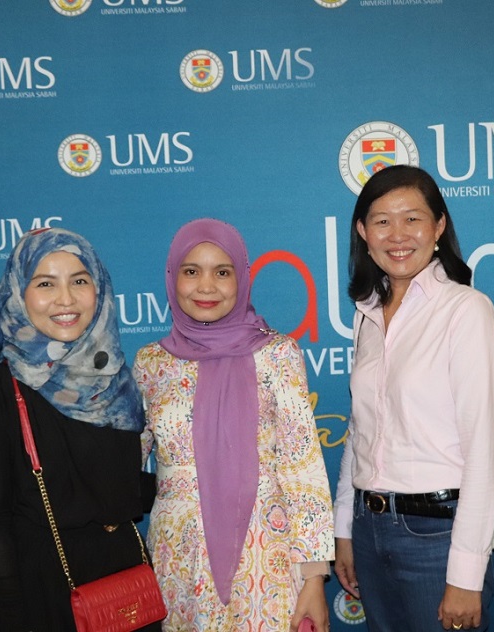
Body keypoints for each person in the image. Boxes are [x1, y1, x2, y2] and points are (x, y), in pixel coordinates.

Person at [0, 227, 160, 632]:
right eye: (46, 283)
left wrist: (197, 482)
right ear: (18, 293)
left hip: (125, 589)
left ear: (99, 289)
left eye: (79, 281)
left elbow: (121, 490)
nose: (66, 299)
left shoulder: (114, 384)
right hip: (45, 595)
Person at [132, 218, 334, 631]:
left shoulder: (278, 354)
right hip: (179, 559)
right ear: (173, 278)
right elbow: (124, 463)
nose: (206, 286)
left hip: (266, 557)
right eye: (192, 271)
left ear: (241, 278)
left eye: (222, 272)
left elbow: (303, 468)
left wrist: (314, 578)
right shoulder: (151, 363)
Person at [333, 165, 494, 631]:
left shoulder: (466, 310)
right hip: (369, 530)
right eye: (382, 220)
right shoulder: (367, 314)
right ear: (362, 231)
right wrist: (344, 528)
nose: (397, 234)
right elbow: (360, 431)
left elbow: (483, 451)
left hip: (437, 535)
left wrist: (466, 574)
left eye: (412, 218)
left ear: (439, 226)